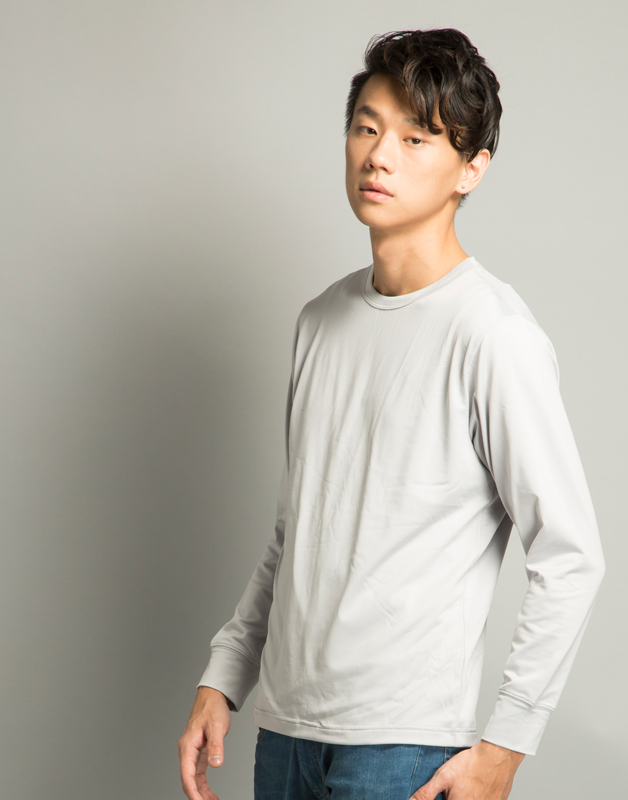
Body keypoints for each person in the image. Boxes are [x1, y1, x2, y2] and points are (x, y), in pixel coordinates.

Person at [178, 28, 605, 800]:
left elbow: (570, 555)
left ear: (471, 168)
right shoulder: (319, 321)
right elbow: (296, 532)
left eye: (416, 138)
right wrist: (224, 676)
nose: (379, 156)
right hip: (284, 736)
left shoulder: (493, 334)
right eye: (366, 128)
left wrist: (505, 746)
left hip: (403, 748)